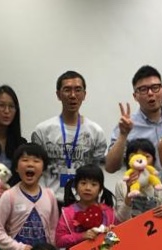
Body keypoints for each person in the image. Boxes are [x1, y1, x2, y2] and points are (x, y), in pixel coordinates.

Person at [0, 143, 59, 250]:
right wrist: (19, 249)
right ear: (15, 167)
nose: (30, 164)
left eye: (36, 160)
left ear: (43, 168)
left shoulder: (50, 195)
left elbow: (53, 230)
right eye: (25, 160)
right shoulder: (9, 196)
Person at [30, 71, 108, 199]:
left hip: (83, 202)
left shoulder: (95, 132)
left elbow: (97, 172)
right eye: (67, 90)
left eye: (78, 90)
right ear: (58, 95)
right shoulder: (43, 130)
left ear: (84, 95)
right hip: (48, 200)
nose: (73, 95)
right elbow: (34, 169)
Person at [113, 138, 162, 223]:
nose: (140, 161)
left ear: (153, 161)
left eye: (146, 156)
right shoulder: (121, 184)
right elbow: (120, 219)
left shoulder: (159, 187)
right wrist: (129, 192)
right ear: (129, 161)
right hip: (129, 233)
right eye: (135, 156)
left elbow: (161, 222)